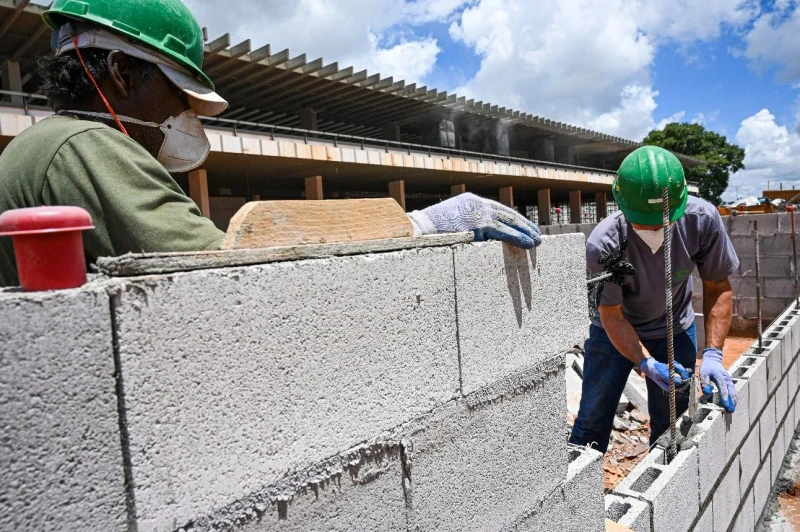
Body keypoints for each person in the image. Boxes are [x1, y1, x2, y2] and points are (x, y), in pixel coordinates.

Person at [0, 0, 540, 288]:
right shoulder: (84, 147)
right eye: (179, 95)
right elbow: (235, 270)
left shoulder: (41, 146)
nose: (184, 116)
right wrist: (421, 226)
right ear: (121, 73)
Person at [569, 145, 739, 454]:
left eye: (662, 222)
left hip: (674, 328)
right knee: (592, 423)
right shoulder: (603, 244)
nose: (655, 231)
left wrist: (713, 353)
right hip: (613, 335)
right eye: (644, 224)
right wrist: (644, 362)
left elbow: (718, 287)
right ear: (622, 205)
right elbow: (612, 314)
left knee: (672, 425)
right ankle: (579, 498)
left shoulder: (701, 220)